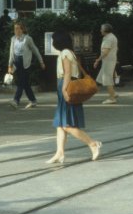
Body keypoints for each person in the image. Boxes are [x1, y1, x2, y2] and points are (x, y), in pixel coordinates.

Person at [46, 30, 101, 164]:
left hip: (67, 85)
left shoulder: (65, 53)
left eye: (54, 40)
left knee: (67, 125)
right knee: (60, 124)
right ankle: (60, 152)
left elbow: (67, 73)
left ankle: (93, 143)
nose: (53, 43)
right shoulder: (70, 52)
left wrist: (64, 89)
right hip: (68, 86)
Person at [6, 22, 45, 109]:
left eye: (18, 28)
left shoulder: (27, 39)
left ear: (22, 29)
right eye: (15, 28)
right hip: (16, 64)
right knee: (25, 84)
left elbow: (35, 50)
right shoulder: (13, 39)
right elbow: (11, 53)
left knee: (21, 83)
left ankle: (16, 101)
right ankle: (33, 101)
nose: (16, 30)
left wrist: (41, 61)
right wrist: (9, 65)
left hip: (25, 64)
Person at [93, 23, 119, 104]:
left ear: (105, 30)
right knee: (103, 77)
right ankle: (113, 93)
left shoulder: (108, 38)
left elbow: (105, 52)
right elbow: (116, 48)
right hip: (110, 60)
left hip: (108, 60)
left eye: (101, 29)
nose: (100, 30)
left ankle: (112, 98)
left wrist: (97, 60)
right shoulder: (113, 36)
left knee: (107, 79)